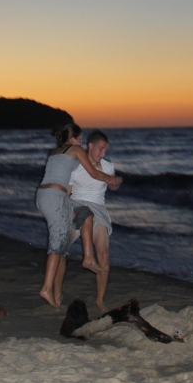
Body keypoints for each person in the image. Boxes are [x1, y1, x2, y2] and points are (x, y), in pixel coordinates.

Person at [36, 122, 118, 309]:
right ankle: (47, 289)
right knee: (58, 246)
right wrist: (111, 179)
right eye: (80, 139)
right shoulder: (76, 150)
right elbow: (94, 173)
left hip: (45, 196)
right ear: (72, 139)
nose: (81, 142)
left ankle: (87, 259)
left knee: (85, 215)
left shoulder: (55, 153)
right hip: (55, 197)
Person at [69, 130, 122, 312]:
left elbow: (113, 186)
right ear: (90, 146)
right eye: (100, 148)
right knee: (60, 248)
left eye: (105, 149)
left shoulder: (107, 166)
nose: (103, 152)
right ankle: (54, 290)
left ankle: (100, 300)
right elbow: (67, 192)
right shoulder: (75, 165)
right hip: (76, 205)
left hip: (98, 208)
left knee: (104, 255)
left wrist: (117, 181)